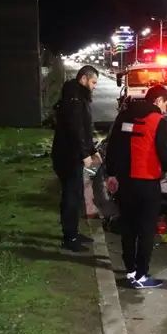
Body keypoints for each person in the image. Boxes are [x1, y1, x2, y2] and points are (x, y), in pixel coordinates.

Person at [105, 85, 167, 289]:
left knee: (128, 227)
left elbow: (113, 145)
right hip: (146, 183)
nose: (165, 109)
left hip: (126, 182)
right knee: (146, 229)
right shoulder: (157, 121)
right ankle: (142, 275)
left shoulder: (124, 116)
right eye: (165, 104)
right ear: (158, 101)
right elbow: (163, 152)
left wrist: (111, 174)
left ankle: (130, 271)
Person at [51, 65, 102, 252]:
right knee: (71, 197)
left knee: (77, 194)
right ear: (83, 79)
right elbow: (75, 130)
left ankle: (73, 231)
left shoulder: (78, 97)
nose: (94, 86)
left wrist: (92, 149)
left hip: (71, 154)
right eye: (93, 82)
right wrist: (84, 154)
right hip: (68, 156)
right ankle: (69, 237)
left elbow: (84, 129)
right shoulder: (74, 100)